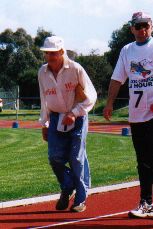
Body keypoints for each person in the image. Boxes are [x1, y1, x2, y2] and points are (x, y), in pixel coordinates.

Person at [103, 12, 153, 218]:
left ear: (151, 26)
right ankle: (145, 201)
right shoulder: (127, 51)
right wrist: (109, 102)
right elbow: (117, 79)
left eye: (145, 25)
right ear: (131, 29)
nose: (142, 30)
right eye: (137, 26)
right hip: (137, 112)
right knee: (142, 158)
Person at [38, 36, 97, 212]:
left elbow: (91, 96)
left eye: (54, 53)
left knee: (76, 158)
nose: (50, 57)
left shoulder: (76, 69)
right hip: (56, 118)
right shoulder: (42, 72)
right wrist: (44, 123)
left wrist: (75, 112)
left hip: (77, 118)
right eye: (47, 53)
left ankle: (80, 198)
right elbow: (44, 99)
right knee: (54, 157)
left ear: (62, 52)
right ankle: (68, 184)